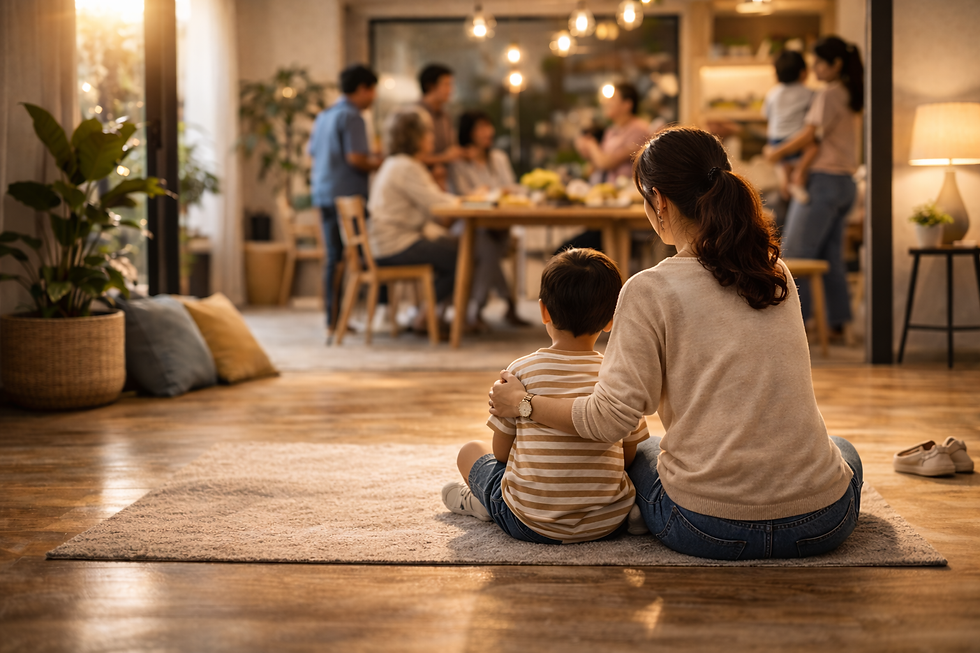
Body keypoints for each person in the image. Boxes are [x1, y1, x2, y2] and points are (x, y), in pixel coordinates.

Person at [489, 126, 863, 561]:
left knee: (644, 451)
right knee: (840, 449)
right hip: (822, 523)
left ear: (660, 200)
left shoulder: (649, 289)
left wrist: (524, 404)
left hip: (708, 528)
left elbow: (608, 420)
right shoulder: (774, 270)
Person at [442, 248, 649, 544]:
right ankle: (631, 509)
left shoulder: (520, 372)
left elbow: (501, 454)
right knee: (645, 452)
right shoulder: (618, 374)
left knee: (470, 452)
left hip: (529, 523)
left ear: (543, 310)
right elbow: (630, 454)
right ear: (611, 319)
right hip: (607, 522)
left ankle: (484, 504)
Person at [765, 36, 864, 337]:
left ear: (835, 64)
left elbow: (811, 136)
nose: (815, 68)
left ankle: (791, 327)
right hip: (846, 183)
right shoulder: (851, 93)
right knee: (830, 256)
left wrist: (776, 153)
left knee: (796, 254)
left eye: (820, 62)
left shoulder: (828, 94)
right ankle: (836, 324)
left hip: (824, 183)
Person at [368, 109, 459, 333]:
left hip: (387, 241)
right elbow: (436, 202)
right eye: (427, 132)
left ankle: (426, 313)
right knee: (462, 254)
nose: (432, 136)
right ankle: (423, 316)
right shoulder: (406, 166)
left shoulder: (397, 163)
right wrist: (469, 200)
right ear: (414, 136)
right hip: (396, 244)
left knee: (456, 249)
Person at [308, 64, 382, 337]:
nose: (373, 97)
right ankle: (373, 311)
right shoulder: (352, 116)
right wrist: (380, 163)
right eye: (373, 90)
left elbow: (312, 153)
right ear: (363, 89)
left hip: (323, 192)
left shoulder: (324, 116)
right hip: (347, 195)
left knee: (333, 258)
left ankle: (333, 318)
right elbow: (356, 158)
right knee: (368, 256)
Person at [450, 110, 528, 329]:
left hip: (499, 226)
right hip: (468, 227)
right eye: (481, 127)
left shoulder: (499, 158)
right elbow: (463, 196)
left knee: (489, 245)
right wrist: (490, 192)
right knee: (485, 245)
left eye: (489, 126)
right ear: (469, 132)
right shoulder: (458, 163)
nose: (489, 132)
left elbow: (511, 188)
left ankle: (477, 310)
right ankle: (497, 305)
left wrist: (492, 192)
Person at [562, 83, 651, 253]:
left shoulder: (639, 130)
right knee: (569, 249)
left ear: (627, 104)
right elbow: (596, 165)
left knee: (566, 252)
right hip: (605, 205)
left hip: (623, 210)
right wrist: (585, 150)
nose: (606, 103)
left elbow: (606, 163)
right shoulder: (611, 131)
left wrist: (591, 145)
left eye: (612, 99)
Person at [763, 49, 818, 206]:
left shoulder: (772, 94)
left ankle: (786, 184)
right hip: (796, 139)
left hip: (775, 139)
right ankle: (798, 178)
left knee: (783, 163)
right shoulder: (810, 93)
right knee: (813, 148)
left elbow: (767, 115)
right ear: (803, 73)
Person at [416, 64, 463, 190]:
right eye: (446, 84)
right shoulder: (415, 114)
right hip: (417, 183)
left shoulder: (445, 115)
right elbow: (411, 157)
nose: (450, 90)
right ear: (430, 86)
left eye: (451, 85)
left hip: (442, 182)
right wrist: (444, 158)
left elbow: (450, 148)